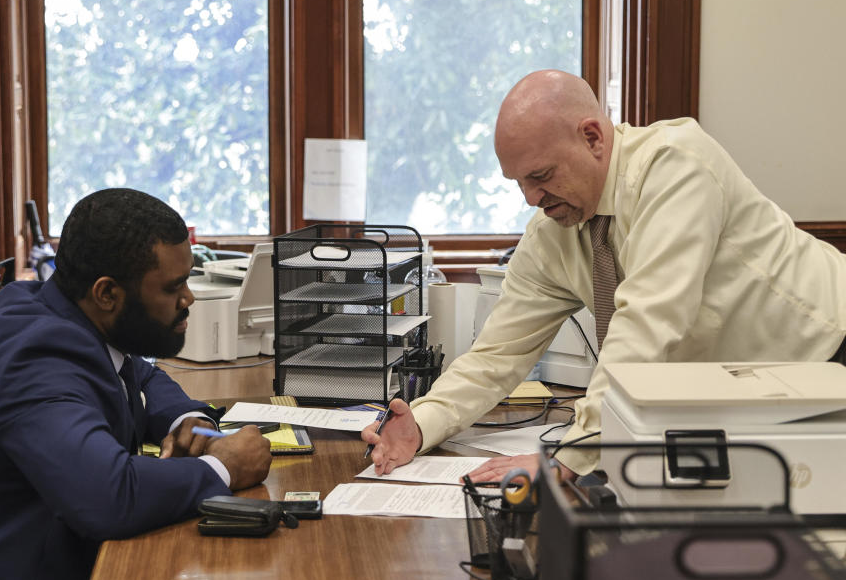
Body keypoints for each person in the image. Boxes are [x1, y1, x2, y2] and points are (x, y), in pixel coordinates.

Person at [362, 69, 846, 483]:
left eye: (542, 175)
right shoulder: (554, 229)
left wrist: (566, 458)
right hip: (733, 396)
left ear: (592, 137)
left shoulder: (676, 166)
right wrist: (422, 423)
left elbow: (645, 327)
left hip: (825, 360)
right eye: (520, 183)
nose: (531, 198)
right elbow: (496, 355)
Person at [0, 188, 272, 580]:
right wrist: (223, 467)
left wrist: (189, 419)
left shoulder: (58, 313)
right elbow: (106, 497)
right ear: (107, 293)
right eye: (173, 286)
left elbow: (139, 373)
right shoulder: (35, 358)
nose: (189, 299)